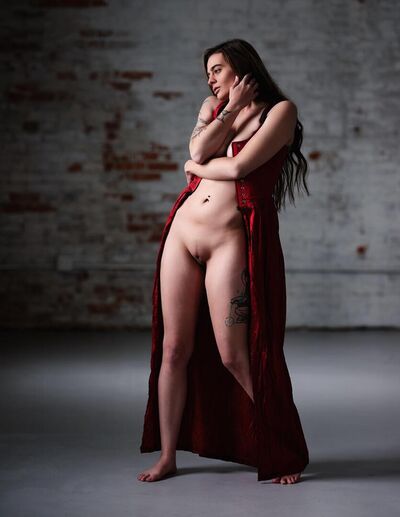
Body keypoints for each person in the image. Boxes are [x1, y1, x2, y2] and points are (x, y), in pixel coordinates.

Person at [138, 38, 310, 484]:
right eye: (208, 73)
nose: (210, 79)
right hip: (183, 234)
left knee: (235, 354)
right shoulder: (214, 108)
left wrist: (195, 170)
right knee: (173, 349)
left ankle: (283, 448)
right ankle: (168, 456)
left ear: (242, 67)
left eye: (217, 69)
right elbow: (199, 151)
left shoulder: (280, 112)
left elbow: (235, 169)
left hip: (229, 240)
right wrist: (228, 109)